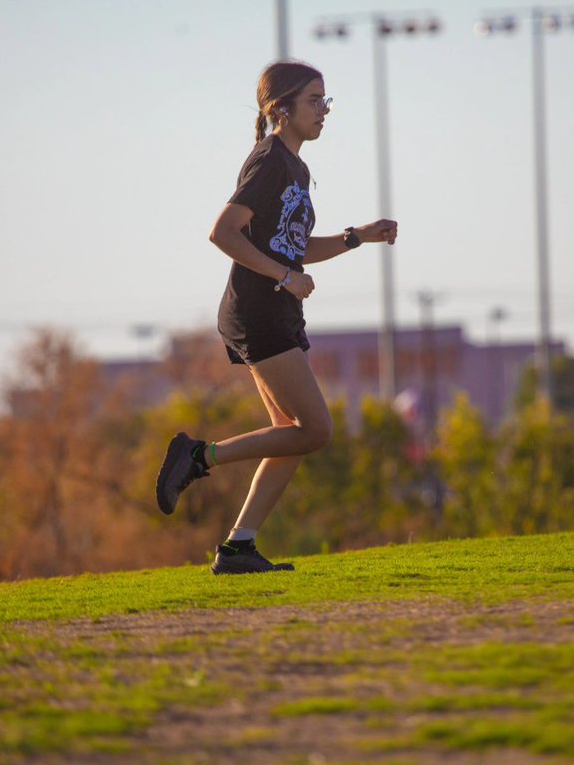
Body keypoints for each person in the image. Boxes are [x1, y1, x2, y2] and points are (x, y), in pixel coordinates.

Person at [154, 60, 398, 575]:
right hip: (260, 313)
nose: (323, 111)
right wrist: (284, 279)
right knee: (315, 430)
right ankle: (199, 458)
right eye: (314, 101)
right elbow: (224, 232)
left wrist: (356, 237)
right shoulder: (269, 162)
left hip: (276, 312)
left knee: (290, 431)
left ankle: (239, 547)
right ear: (280, 108)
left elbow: (293, 245)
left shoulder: (297, 167)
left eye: (325, 101)